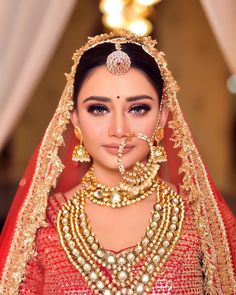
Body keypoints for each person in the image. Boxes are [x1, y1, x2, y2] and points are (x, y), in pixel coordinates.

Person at [0, 30, 235, 294]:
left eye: (138, 109)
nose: (119, 129)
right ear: (75, 118)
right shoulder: (42, 226)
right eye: (99, 109)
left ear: (163, 117)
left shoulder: (201, 221)